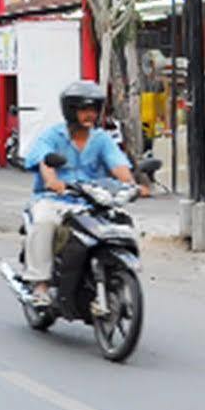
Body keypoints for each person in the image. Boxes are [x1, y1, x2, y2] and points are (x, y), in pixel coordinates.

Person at [22, 80, 141, 307]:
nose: (90, 115)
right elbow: (44, 161)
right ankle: (40, 284)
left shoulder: (102, 139)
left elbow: (119, 167)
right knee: (44, 222)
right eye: (84, 109)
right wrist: (53, 181)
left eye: (94, 109)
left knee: (122, 224)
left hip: (93, 200)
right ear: (71, 111)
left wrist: (131, 185)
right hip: (55, 199)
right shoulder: (53, 136)